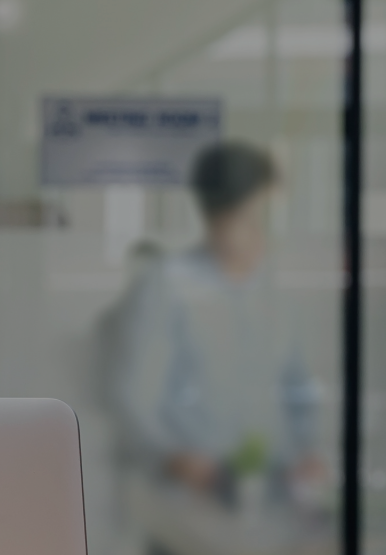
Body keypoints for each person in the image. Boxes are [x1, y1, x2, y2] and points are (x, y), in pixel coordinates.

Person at [112, 140, 321, 504]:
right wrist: (174, 457)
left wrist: (309, 450)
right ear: (216, 216)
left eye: (267, 218)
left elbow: (299, 385)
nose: (262, 232)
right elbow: (135, 394)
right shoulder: (167, 285)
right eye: (252, 217)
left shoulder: (276, 292)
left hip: (274, 488)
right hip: (195, 495)